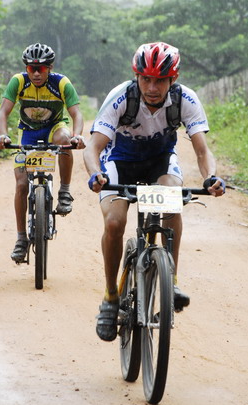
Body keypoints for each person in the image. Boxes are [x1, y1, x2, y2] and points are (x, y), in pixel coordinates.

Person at [83, 42, 225, 342]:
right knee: (114, 223)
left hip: (160, 162)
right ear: (136, 76)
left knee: (174, 201)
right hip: (119, 162)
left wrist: (211, 176)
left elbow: (201, 150)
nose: (151, 87)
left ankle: (170, 281)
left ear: (173, 79)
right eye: (145, 78)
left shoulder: (185, 99)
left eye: (160, 80)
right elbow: (93, 147)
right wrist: (95, 174)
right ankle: (110, 298)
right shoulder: (121, 96)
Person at [0, 42, 85, 263]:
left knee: (64, 140)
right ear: (26, 69)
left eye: (41, 69)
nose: (36, 73)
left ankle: (64, 191)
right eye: (31, 69)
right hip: (27, 133)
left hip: (54, 128)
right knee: (21, 184)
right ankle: (21, 239)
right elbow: (3, 112)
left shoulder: (61, 83)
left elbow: (76, 114)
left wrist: (78, 135)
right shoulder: (18, 82)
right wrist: (3, 135)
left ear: (50, 68)